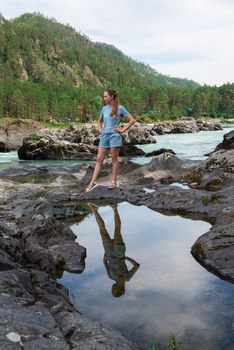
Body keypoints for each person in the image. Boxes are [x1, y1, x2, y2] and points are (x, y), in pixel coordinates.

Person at [85, 89, 136, 192]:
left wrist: (122, 129)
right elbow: (99, 121)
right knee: (99, 159)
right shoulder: (104, 109)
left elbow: (132, 120)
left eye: (106, 97)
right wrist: (100, 129)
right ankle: (92, 182)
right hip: (104, 136)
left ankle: (113, 181)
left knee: (114, 159)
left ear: (111, 96)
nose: (104, 98)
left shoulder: (120, 108)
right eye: (104, 97)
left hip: (114, 136)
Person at [88, 202, 140, 297]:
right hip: (119, 253)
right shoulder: (127, 278)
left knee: (102, 230)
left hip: (109, 252)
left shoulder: (111, 276)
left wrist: (105, 255)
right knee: (117, 230)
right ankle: (115, 208)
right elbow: (137, 266)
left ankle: (94, 210)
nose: (112, 289)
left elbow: (105, 263)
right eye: (114, 290)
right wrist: (125, 258)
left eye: (112, 290)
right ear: (120, 289)